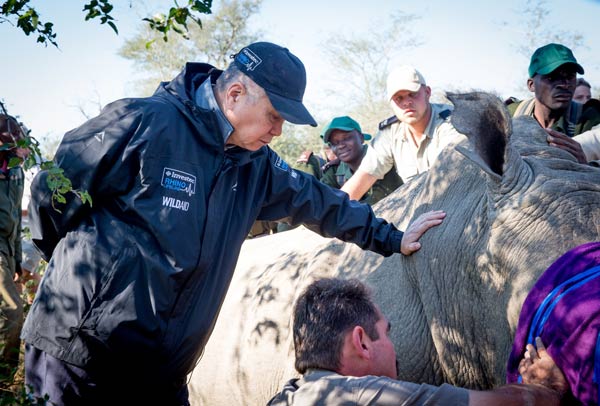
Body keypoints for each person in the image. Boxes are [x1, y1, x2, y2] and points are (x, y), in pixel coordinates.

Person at [22, 41, 445, 405]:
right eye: (275, 116)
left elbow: (321, 202)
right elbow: (52, 197)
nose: (279, 131)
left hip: (162, 373)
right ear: (236, 93)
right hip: (79, 357)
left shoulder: (255, 166)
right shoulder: (143, 123)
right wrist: (83, 286)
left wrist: (391, 236)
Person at [269, 278, 568, 405]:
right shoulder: (361, 395)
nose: (391, 344)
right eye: (386, 332)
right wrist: (545, 388)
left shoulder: (285, 396)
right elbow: (504, 405)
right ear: (361, 342)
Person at [341, 66, 462, 201]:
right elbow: (364, 177)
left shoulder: (452, 122)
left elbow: (451, 176)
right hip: (422, 205)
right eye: (399, 98)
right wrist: (334, 211)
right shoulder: (390, 132)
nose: (406, 102)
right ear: (391, 103)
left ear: (427, 92)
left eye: (412, 94)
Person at [506, 43, 600, 160]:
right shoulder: (510, 115)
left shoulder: (589, 118)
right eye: (552, 77)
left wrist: (586, 162)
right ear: (531, 85)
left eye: (570, 77)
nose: (564, 85)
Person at [0, 114, 28, 382]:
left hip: (8, 250)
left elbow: (18, 220)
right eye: (17, 138)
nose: (24, 144)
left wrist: (18, 261)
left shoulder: (17, 172)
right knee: (13, 311)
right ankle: (5, 381)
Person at [320, 116, 402, 205]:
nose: (340, 146)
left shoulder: (383, 156)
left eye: (346, 138)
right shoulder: (333, 172)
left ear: (361, 138)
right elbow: (324, 203)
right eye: (334, 143)